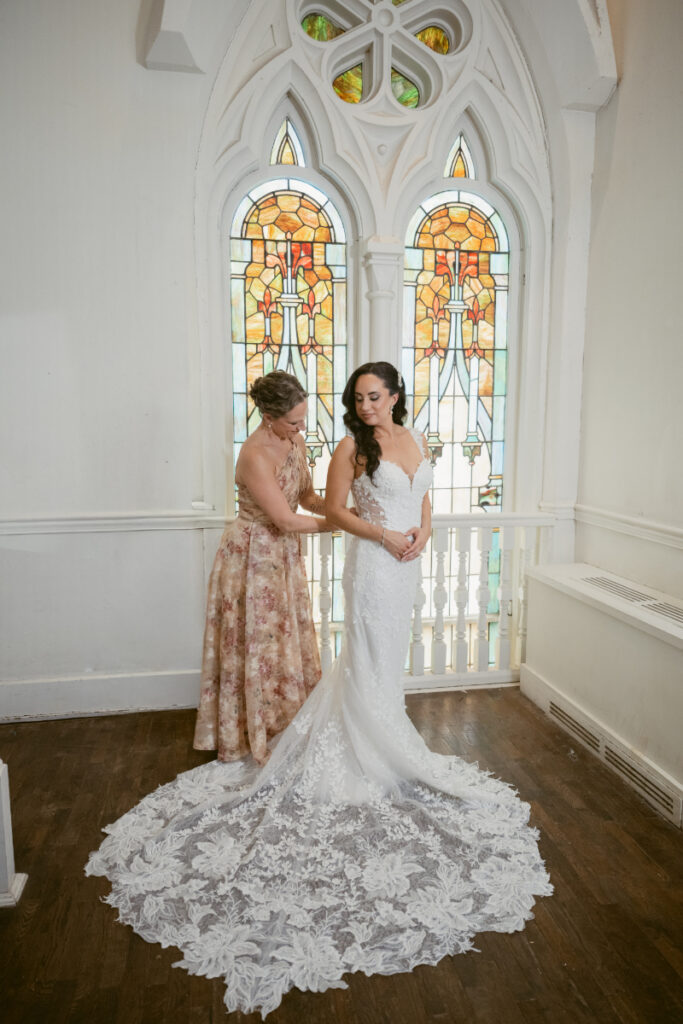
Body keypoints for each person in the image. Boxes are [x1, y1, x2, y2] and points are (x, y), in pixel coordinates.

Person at [87, 362, 551, 1019]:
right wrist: (377, 533)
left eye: (373, 395)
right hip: (367, 565)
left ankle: (382, 735)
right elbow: (326, 509)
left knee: (384, 663)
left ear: (393, 396)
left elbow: (419, 500)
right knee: (357, 657)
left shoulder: (411, 439)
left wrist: (422, 531)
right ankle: (347, 746)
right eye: (354, 398)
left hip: (403, 569)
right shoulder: (339, 447)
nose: (362, 406)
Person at [193, 370, 331, 765]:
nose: (301, 427)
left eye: (303, 419)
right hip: (251, 557)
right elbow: (284, 520)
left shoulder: (296, 441)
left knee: (282, 640)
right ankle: (249, 732)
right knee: (254, 642)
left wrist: (340, 508)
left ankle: (282, 724)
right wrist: (341, 525)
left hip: (283, 557)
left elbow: (305, 497)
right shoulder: (254, 454)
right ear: (268, 416)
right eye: (293, 421)